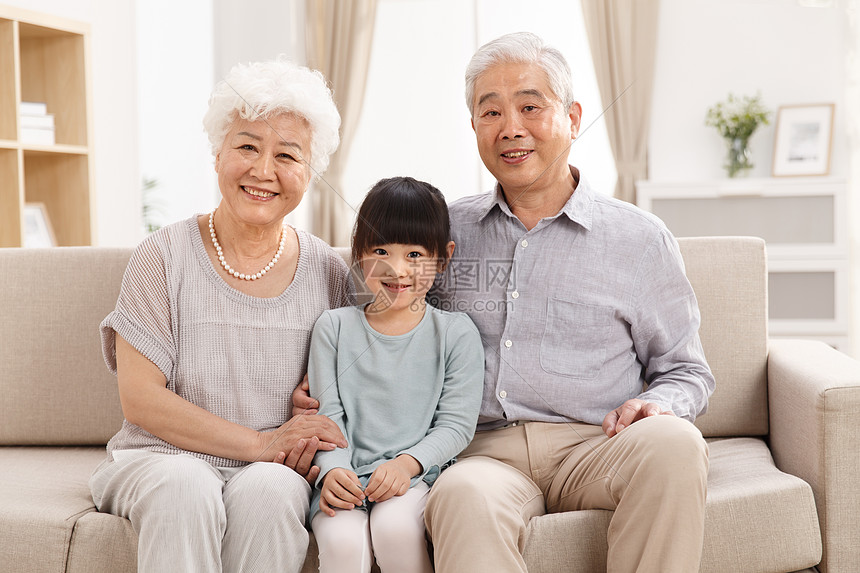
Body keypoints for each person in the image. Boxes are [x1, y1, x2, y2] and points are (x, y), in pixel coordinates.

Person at [421, 32, 716, 573]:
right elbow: (377, 322)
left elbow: (686, 371)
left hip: (597, 445)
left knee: (674, 444)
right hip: (484, 451)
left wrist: (661, 405)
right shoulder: (443, 230)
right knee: (461, 495)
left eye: (530, 106)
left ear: (574, 118)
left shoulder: (638, 239)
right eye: (491, 112)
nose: (511, 128)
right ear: (475, 128)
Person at [89, 57, 353, 573]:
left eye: (288, 155)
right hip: (159, 460)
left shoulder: (328, 271)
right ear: (217, 154)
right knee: (186, 486)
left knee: (274, 492)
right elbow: (140, 399)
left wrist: (316, 416)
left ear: (310, 171)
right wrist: (259, 442)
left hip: (274, 468)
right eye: (247, 146)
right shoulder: (162, 256)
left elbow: (357, 382)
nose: (263, 170)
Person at [306, 177, 484, 573]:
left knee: (395, 529)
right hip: (344, 479)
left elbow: (456, 426)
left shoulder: (455, 333)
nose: (397, 269)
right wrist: (334, 470)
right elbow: (326, 417)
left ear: (444, 257)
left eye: (416, 254)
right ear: (359, 254)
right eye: (380, 250)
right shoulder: (333, 328)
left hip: (415, 479)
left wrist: (406, 466)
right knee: (341, 542)